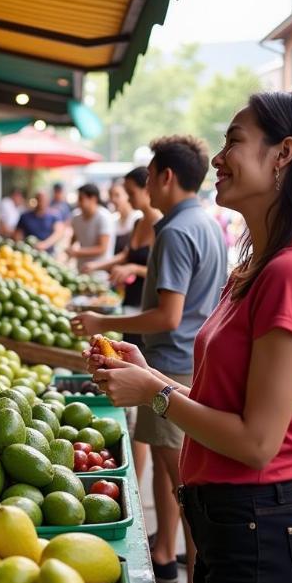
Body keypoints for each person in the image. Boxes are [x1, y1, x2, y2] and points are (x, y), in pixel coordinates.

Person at [87, 91, 292, 583]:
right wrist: (149, 374)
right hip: (237, 528)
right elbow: (227, 396)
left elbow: (256, 440)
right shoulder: (256, 268)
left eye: (235, 140)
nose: (216, 157)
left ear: (284, 155)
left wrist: (155, 392)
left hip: (260, 534)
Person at [72, 135, 228, 583]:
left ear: (164, 175)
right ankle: (181, 572)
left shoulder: (176, 231)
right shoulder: (205, 221)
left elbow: (169, 314)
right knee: (182, 483)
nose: (145, 187)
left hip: (172, 365)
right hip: (184, 362)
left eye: (150, 174)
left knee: (186, 489)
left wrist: (104, 324)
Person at [84, 166, 160, 483]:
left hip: (147, 311)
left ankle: (137, 479)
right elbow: (126, 255)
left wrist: (131, 267)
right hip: (128, 304)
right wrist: (97, 266)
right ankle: (135, 478)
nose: (124, 197)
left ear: (147, 187)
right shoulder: (141, 222)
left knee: (145, 404)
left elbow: (158, 275)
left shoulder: (161, 224)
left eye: (128, 191)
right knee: (135, 403)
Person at [66, 183, 116, 272]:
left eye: (81, 199)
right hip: (81, 268)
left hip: (100, 271)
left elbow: (102, 248)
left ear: (93, 199)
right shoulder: (76, 217)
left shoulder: (104, 217)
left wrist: (77, 252)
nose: (78, 202)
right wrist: (70, 249)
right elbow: (75, 236)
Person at [108, 178, 142, 253]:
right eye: (111, 195)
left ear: (127, 195)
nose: (113, 199)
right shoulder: (112, 219)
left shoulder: (137, 217)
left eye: (117, 195)